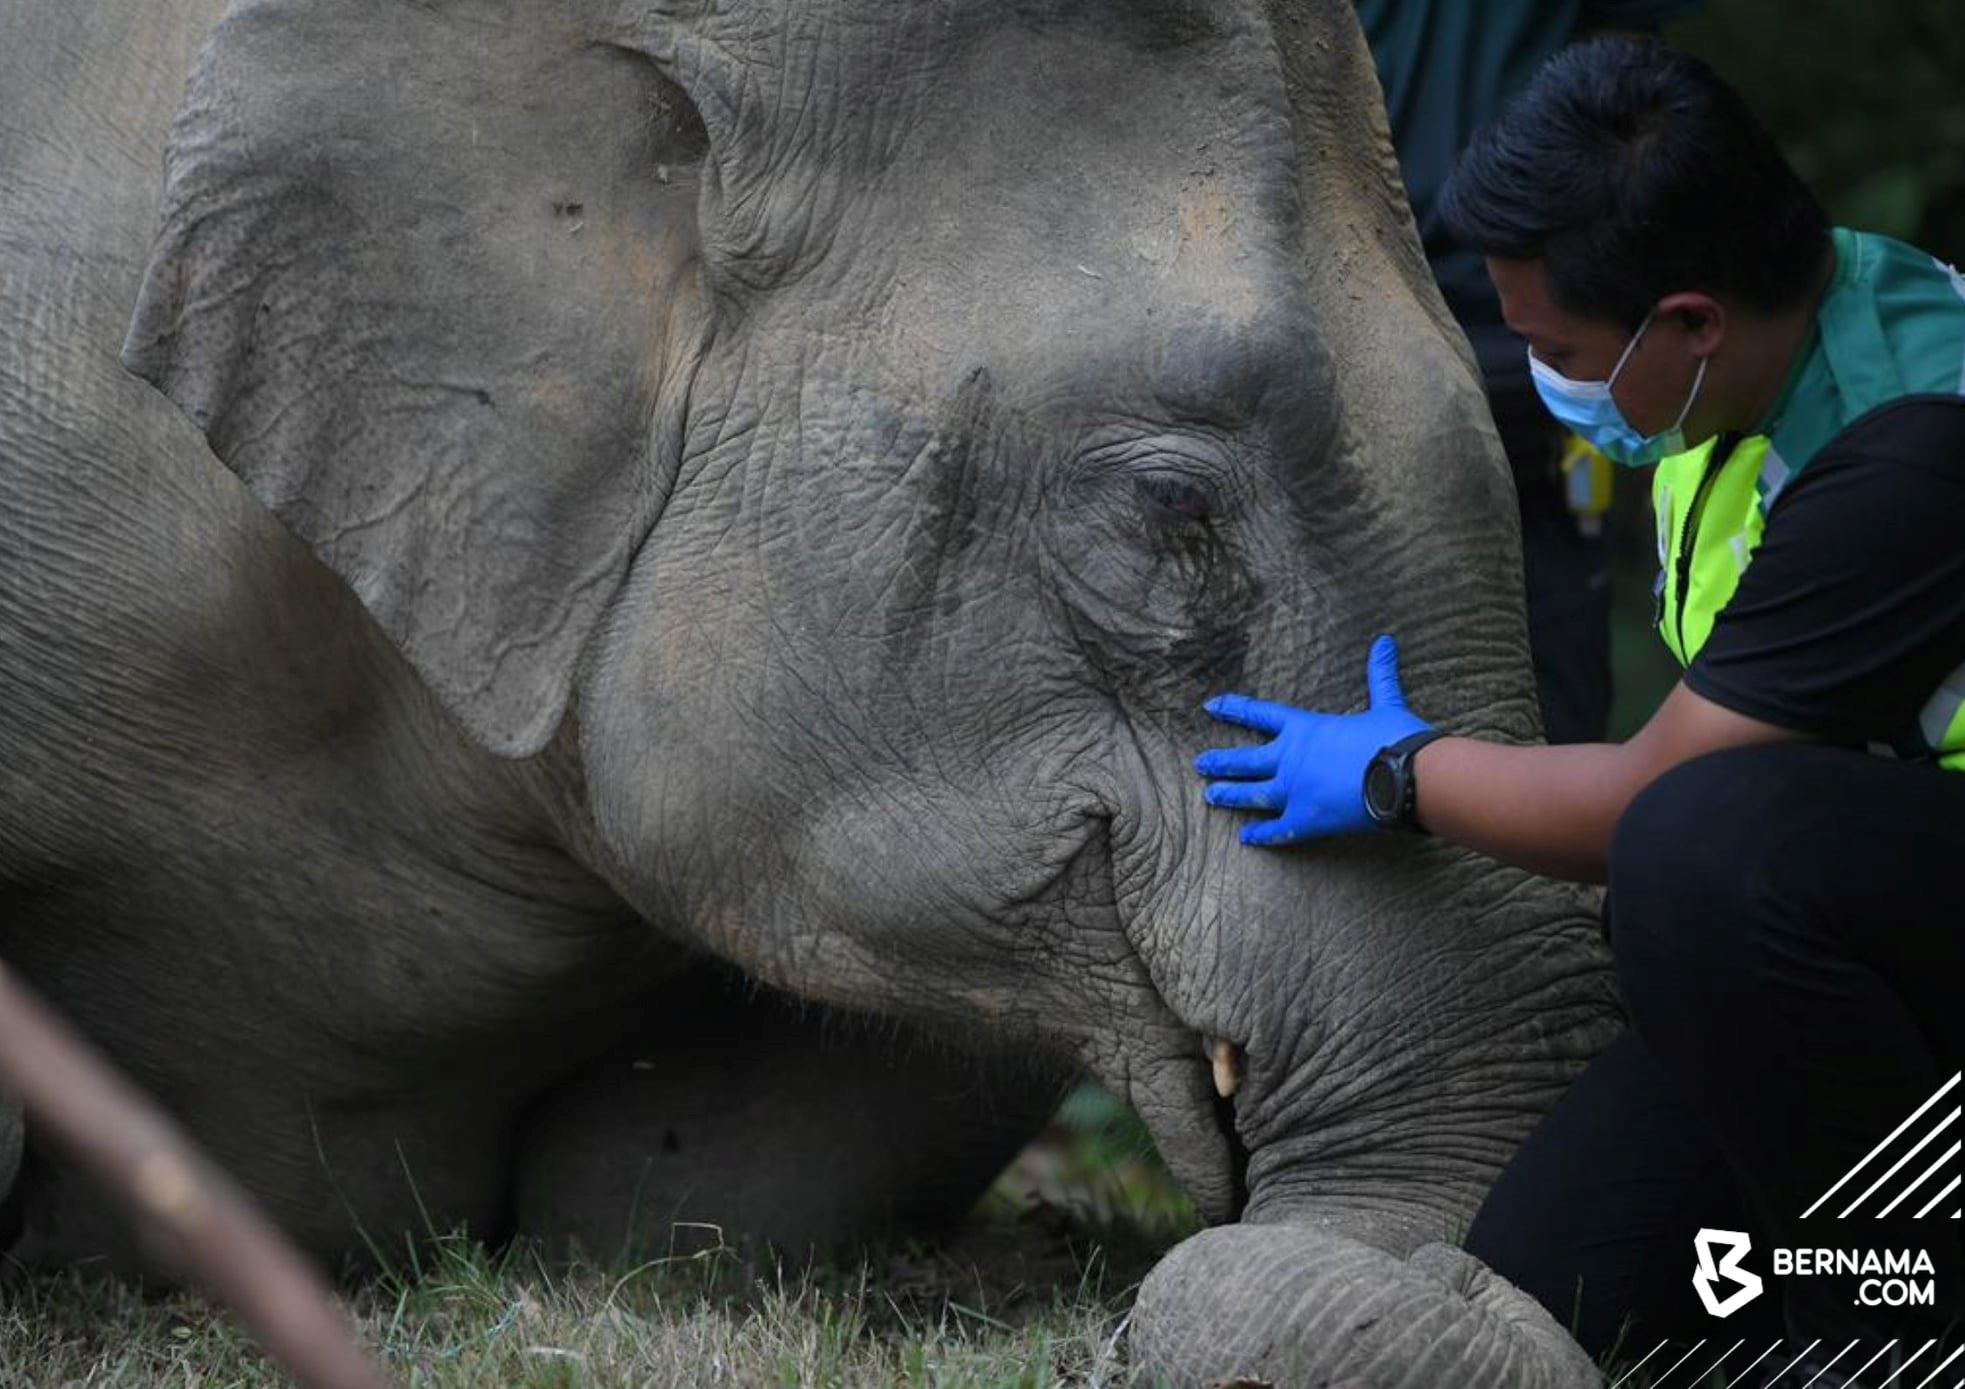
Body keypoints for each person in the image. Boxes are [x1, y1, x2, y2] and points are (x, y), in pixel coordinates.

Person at [1195, 36, 1965, 1375]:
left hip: (1907, 923)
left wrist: (1400, 773)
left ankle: (1903, 1328)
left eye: (1558, 348)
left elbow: (1655, 797)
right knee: (1559, 1288)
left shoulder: (1908, 443)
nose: (1542, 372)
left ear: (1690, 322)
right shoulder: (1763, 362)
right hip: (1883, 937)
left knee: (1695, 849)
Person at [1354, 0, 1703, 745]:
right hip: (1527, 326)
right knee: (1543, 633)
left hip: (1485, 332)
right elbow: (1632, 83)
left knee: (1393, 627)